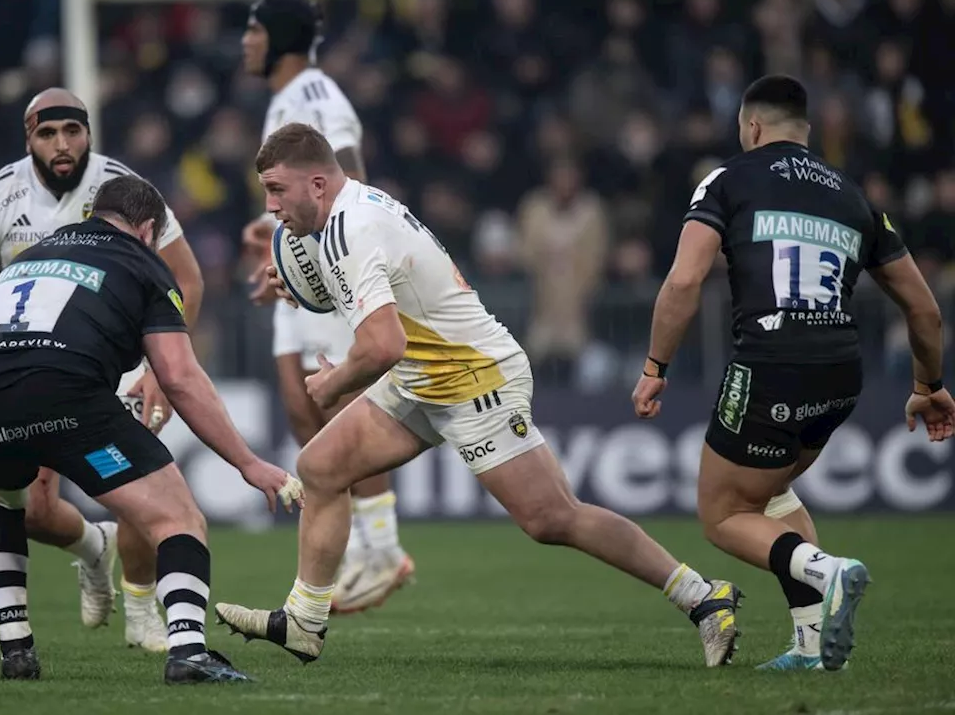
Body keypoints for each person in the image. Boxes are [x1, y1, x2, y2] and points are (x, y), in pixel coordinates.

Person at [215, 122, 741, 667]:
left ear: (318, 185)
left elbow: (382, 344)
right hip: (426, 376)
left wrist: (333, 382)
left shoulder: (350, 227)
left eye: (277, 190)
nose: (270, 206)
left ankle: (703, 596)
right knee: (321, 467)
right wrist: (303, 288)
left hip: (473, 378)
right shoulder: (348, 213)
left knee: (551, 518)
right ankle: (303, 620)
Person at [632, 75, 955, 672]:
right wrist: (928, 387)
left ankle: (828, 571)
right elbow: (925, 310)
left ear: (752, 127)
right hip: (842, 375)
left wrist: (656, 366)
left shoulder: (729, 178)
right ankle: (811, 646)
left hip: (771, 364)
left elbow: (683, 280)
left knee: (724, 514)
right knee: (770, 491)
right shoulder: (852, 195)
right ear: (804, 131)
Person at [0, 175, 302, 683]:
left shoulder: (28, 257)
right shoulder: (143, 263)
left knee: (2, 503)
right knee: (177, 519)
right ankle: (188, 653)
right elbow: (179, 377)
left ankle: (17, 651)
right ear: (148, 229)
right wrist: (248, 462)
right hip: (64, 399)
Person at [0, 88, 205, 653]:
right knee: (34, 513)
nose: (63, 145)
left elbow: (187, 277)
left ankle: (141, 612)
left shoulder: (126, 192)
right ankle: (93, 548)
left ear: (88, 132)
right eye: (48, 134)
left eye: (73, 132)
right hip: (30, 367)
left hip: (114, 365)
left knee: (139, 486)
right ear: (29, 138)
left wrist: (160, 369)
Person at [238, 0, 414, 613]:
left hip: (330, 266)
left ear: (281, 37)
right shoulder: (289, 99)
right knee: (300, 407)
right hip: (302, 262)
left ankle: (381, 549)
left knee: (343, 404)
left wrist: (325, 263)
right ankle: (365, 545)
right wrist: (272, 245)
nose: (245, 41)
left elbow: (345, 174)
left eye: (254, 30)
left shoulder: (312, 96)